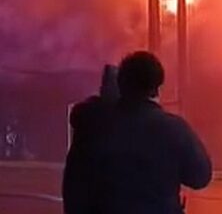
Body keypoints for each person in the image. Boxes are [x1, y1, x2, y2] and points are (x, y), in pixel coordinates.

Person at [63, 51, 212, 214]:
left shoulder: (93, 127)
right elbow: (200, 177)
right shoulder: (174, 129)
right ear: (157, 86)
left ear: (121, 84)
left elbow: (73, 189)